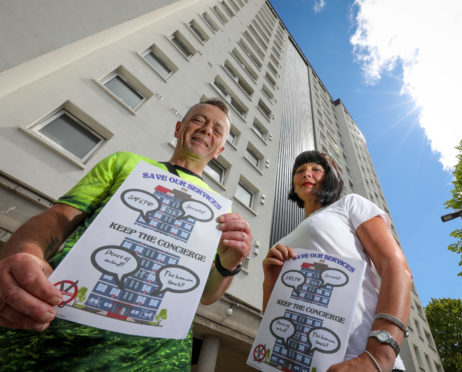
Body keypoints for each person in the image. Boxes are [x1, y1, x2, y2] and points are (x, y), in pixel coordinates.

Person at [0, 98, 252, 370]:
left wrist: (230, 263)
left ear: (219, 150)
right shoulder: (126, 163)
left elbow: (205, 295)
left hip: (157, 356)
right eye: (199, 120)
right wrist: (25, 253)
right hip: (54, 334)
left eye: (217, 129)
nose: (206, 130)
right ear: (179, 128)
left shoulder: (218, 211)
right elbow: (61, 217)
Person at [262, 150, 412, 372]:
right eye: (300, 171)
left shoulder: (349, 205)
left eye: (316, 169)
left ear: (331, 176)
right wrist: (270, 284)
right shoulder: (283, 240)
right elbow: (273, 316)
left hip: (363, 359)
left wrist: (379, 356)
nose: (307, 174)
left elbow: (396, 268)